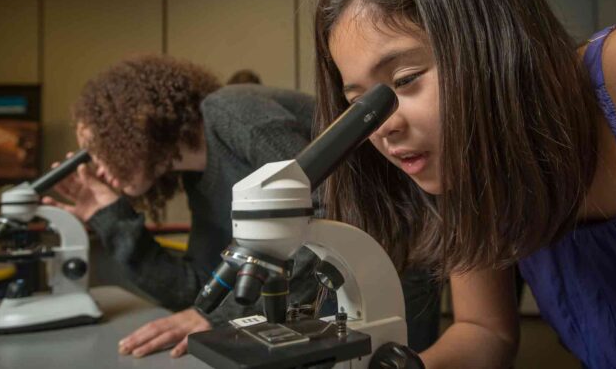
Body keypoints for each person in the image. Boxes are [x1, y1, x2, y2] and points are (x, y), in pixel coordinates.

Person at [313, 0, 616, 368]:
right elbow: (483, 331)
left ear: (490, 36)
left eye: (404, 80)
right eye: (358, 104)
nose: (382, 126)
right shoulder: (468, 165)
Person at [45, 55, 441, 358]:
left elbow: (326, 210)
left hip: (388, 274)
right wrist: (110, 215)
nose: (97, 168)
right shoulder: (197, 180)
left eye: (97, 149)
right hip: (333, 297)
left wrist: (213, 318)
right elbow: (196, 293)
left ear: (132, 121)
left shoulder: (231, 111)